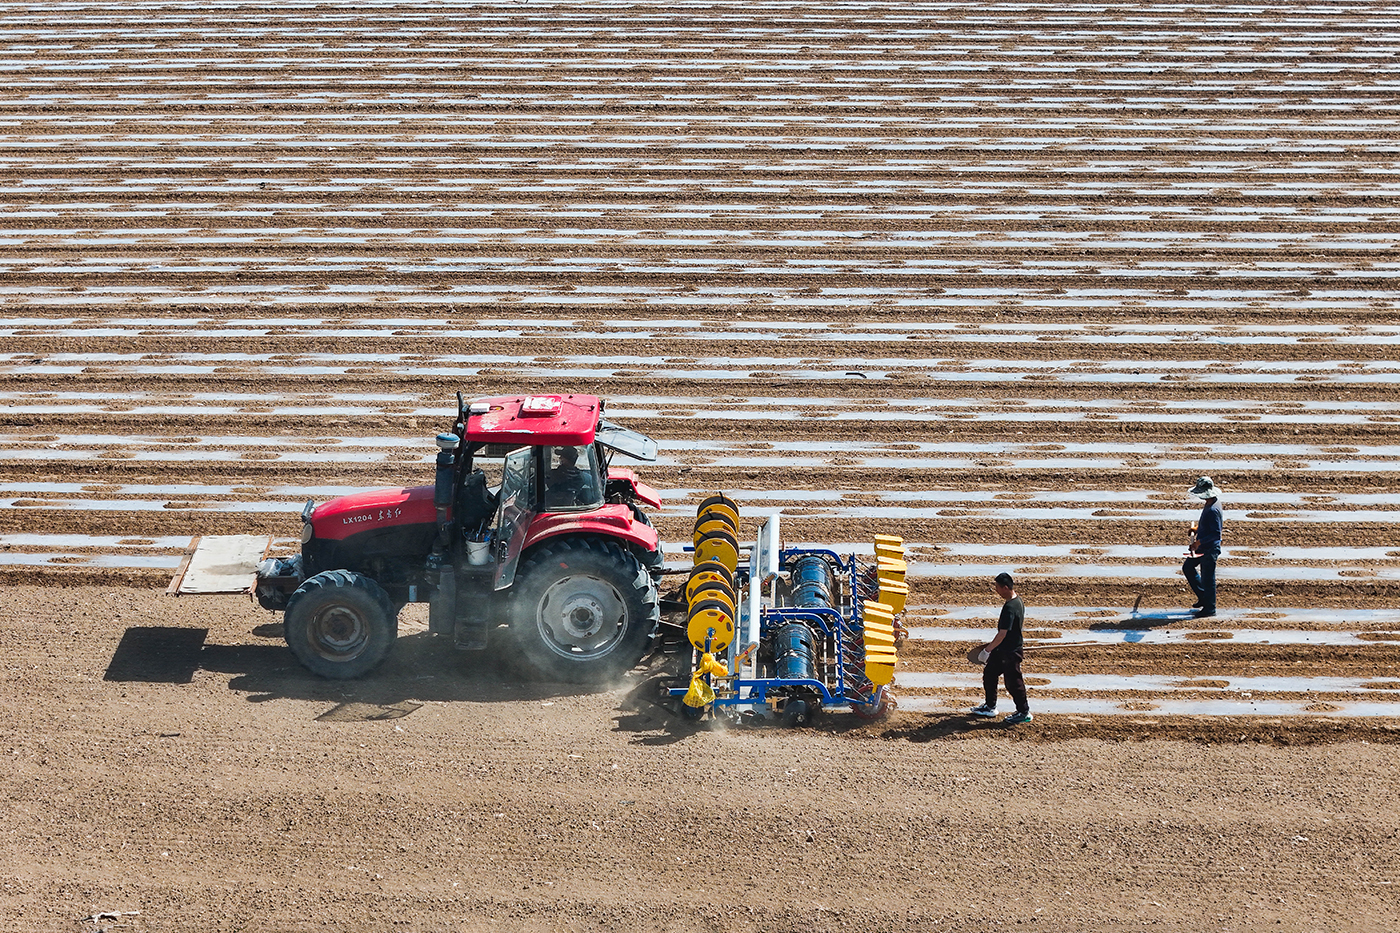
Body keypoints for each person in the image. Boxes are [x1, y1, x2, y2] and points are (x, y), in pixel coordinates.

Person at [969, 572, 1032, 724]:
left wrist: (987, 650)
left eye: (997, 587)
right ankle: (990, 707)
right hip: (1003, 650)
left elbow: (1002, 634)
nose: (995, 590)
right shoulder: (1018, 601)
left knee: (1014, 683)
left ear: (1005, 587)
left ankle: (1024, 712)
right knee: (990, 673)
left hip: (1010, 651)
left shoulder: (1011, 607)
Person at [1183, 476, 1224, 617]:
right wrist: (1197, 529)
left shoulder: (1213, 510)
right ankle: (1203, 597)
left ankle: (1210, 608)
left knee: (1208, 578)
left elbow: (1215, 534)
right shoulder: (1212, 502)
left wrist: (1197, 543)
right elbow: (1207, 527)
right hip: (1203, 547)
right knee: (1187, 567)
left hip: (1210, 549)